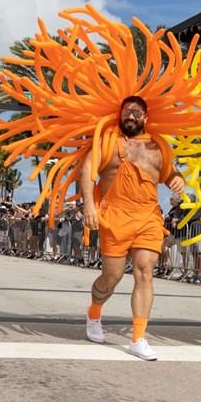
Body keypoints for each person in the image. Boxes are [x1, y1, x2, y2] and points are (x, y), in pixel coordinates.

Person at [81, 96, 186, 361]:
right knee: (111, 277)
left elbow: (170, 173)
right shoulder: (106, 141)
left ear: (145, 117)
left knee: (145, 272)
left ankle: (138, 338)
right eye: (126, 111)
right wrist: (89, 208)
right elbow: (86, 172)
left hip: (148, 216)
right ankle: (94, 312)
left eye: (136, 112)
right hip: (114, 216)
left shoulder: (157, 147)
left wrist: (178, 181)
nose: (130, 116)